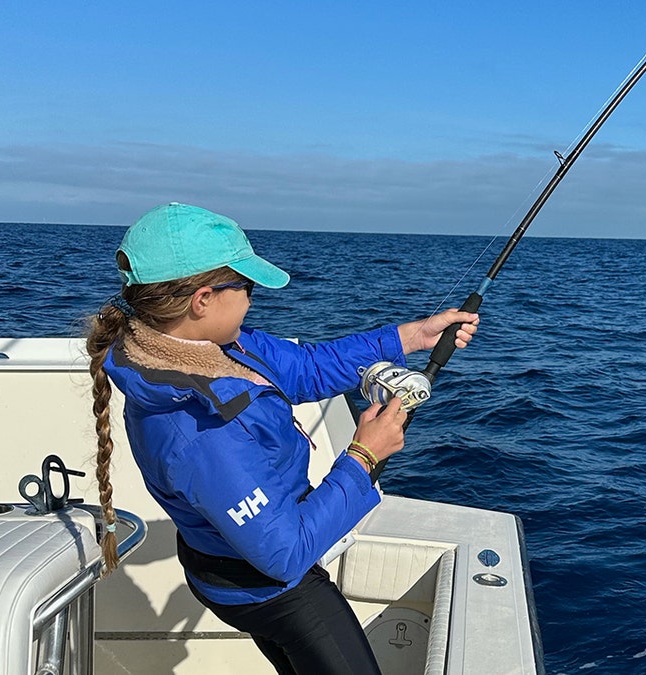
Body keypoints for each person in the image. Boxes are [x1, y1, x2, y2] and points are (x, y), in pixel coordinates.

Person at [86, 202, 478, 674]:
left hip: (232, 563)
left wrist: (411, 336)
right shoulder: (194, 427)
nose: (252, 298)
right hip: (266, 589)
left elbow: (307, 367)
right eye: (246, 286)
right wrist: (363, 457)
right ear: (203, 299)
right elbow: (284, 553)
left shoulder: (224, 347)